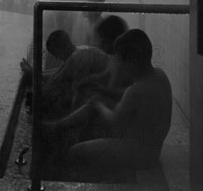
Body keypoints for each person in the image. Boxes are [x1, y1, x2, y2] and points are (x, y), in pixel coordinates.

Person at [63, 30, 172, 181]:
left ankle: (87, 184)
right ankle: (59, 126)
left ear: (132, 62)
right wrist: (102, 92)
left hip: (138, 153)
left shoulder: (136, 90)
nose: (119, 66)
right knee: (98, 112)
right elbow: (130, 101)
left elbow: (115, 120)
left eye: (120, 61)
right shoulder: (159, 75)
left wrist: (98, 104)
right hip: (153, 149)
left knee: (75, 152)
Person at [21, 15, 128, 119]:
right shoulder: (79, 51)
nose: (57, 59)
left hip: (109, 106)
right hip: (106, 96)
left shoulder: (79, 57)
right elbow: (58, 72)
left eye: (55, 54)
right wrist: (35, 74)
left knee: (77, 91)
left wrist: (38, 98)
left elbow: (57, 79)